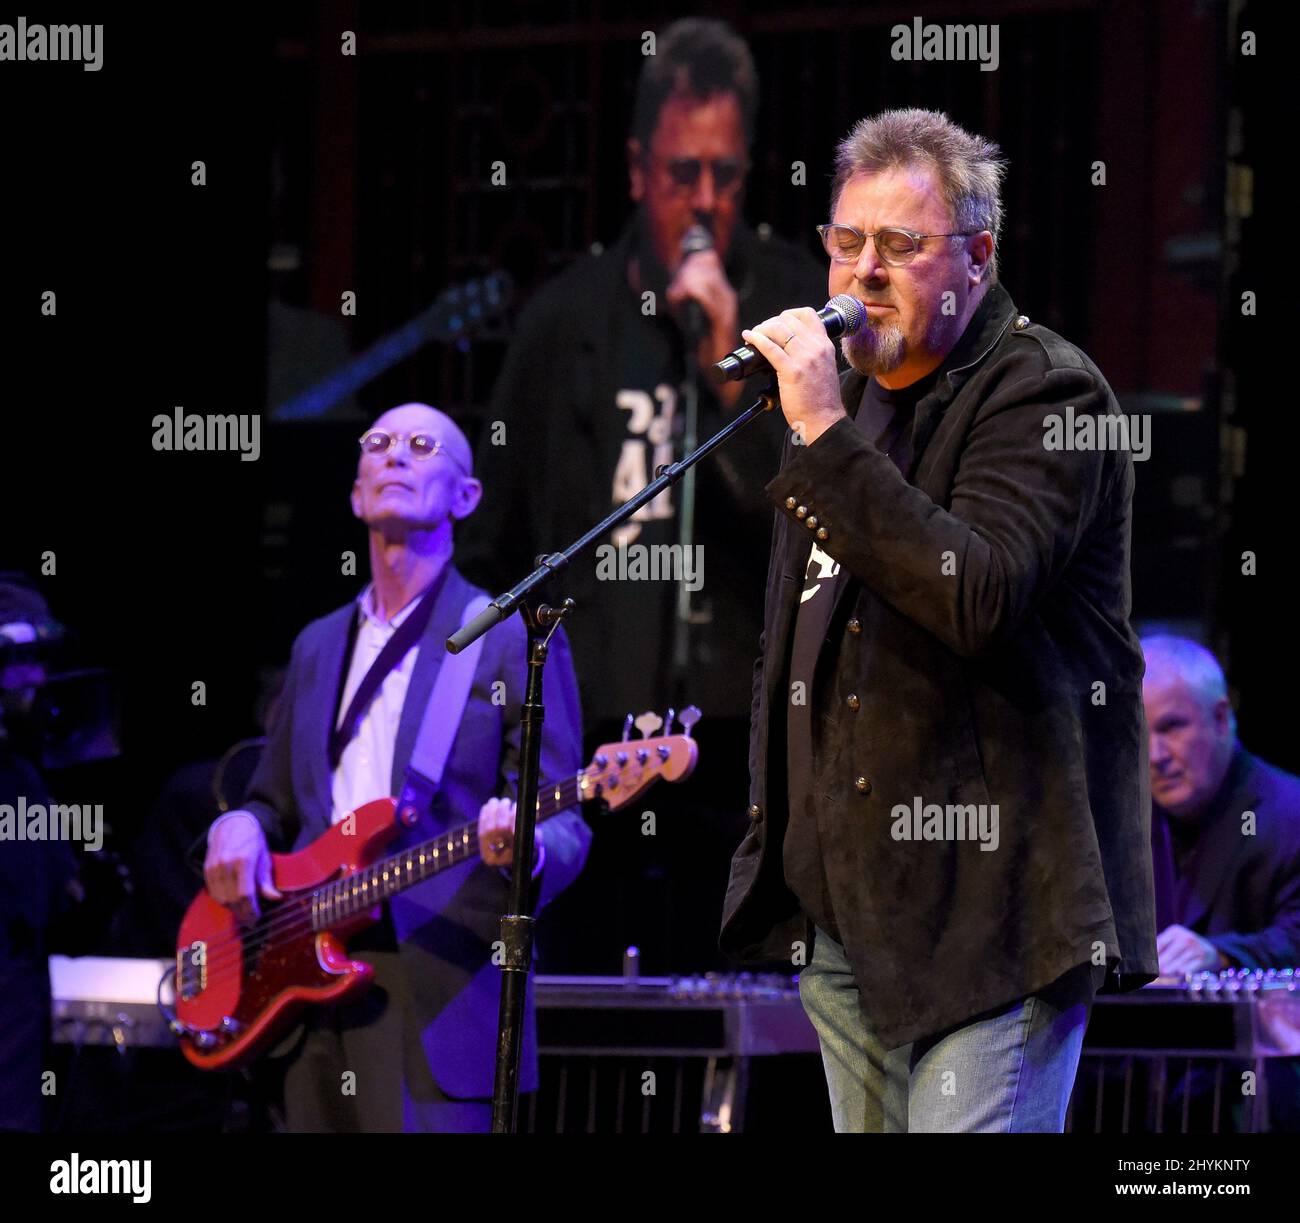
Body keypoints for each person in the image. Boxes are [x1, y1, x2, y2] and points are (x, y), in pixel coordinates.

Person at [719, 108, 1158, 1132]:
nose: (864, 272)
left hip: (995, 917)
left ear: (977, 254)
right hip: (849, 918)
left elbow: (977, 592)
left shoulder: (1046, 390)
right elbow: (788, 653)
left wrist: (821, 430)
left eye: (901, 247)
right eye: (846, 243)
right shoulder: (846, 412)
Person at [203, 402, 590, 1133]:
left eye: (421, 445)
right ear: (354, 494)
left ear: (465, 496)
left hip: (436, 988)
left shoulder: (509, 638)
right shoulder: (317, 644)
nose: (395, 456)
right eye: (377, 444)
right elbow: (272, 802)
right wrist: (240, 825)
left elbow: (562, 814)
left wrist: (528, 848)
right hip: (306, 981)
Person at [462, 16, 826, 728]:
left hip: (746, 742)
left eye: (725, 175)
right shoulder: (563, 325)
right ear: (637, 170)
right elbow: (492, 547)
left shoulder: (796, 308)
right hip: (593, 745)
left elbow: (828, 529)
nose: (704, 201)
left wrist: (729, 375)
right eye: (682, 173)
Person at [0, 575, 78, 1132]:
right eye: (22, 659)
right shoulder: (18, 781)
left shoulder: (24, 777)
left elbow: (62, 893)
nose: (37, 677)